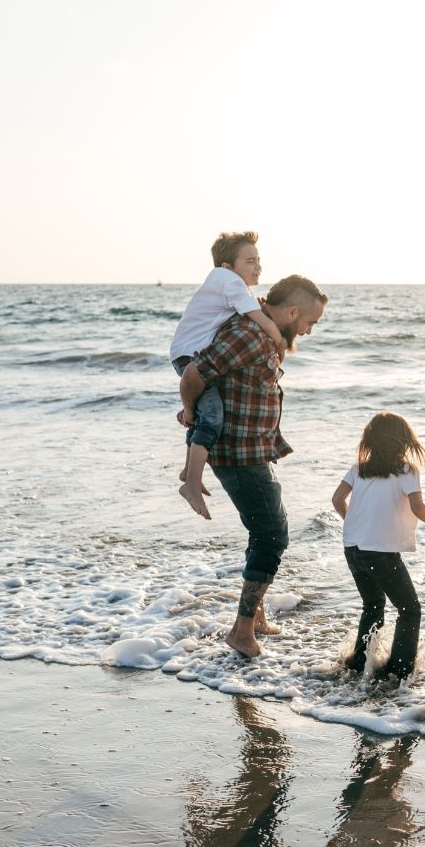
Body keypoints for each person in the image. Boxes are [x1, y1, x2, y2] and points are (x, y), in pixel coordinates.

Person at [177, 274, 329, 656]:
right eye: (310, 322)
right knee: (272, 536)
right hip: (239, 454)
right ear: (292, 311)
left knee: (261, 532)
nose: (309, 331)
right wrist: (192, 413)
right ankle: (242, 631)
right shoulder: (250, 334)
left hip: (252, 450)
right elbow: (195, 372)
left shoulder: (262, 333)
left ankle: (255, 618)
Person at [168, 232, 288, 519]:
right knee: (211, 417)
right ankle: (192, 484)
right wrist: (279, 341)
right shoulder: (228, 280)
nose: (257, 267)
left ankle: (188, 470)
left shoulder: (225, 284)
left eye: (259, 261)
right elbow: (259, 318)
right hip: (189, 356)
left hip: (187, 352)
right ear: (227, 266)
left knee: (203, 411)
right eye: (249, 261)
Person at [331, 413, 425, 679]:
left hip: (352, 546)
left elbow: (337, 499)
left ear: (370, 441)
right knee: (410, 609)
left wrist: (357, 522)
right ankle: (399, 670)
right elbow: (418, 507)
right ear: (403, 441)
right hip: (380, 552)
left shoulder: (359, 468)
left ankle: (359, 662)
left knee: (373, 604)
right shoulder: (406, 470)